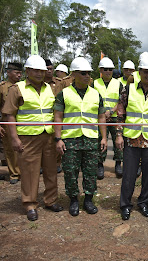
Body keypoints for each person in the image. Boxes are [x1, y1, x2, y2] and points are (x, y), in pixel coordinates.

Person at [2, 55, 63, 221]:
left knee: (51, 170)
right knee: (30, 172)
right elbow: (9, 115)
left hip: (48, 136)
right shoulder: (17, 89)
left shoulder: (49, 89)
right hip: (28, 137)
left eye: (41, 71)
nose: (39, 73)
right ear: (27, 71)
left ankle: (51, 200)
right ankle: (30, 204)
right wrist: (14, 138)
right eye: (35, 70)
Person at [54, 57, 107, 216]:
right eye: (83, 73)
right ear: (74, 74)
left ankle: (88, 199)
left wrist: (103, 138)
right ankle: (74, 200)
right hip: (70, 139)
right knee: (70, 171)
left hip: (90, 139)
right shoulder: (64, 94)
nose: (87, 76)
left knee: (90, 172)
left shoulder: (96, 94)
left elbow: (101, 117)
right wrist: (58, 139)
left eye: (89, 73)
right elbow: (58, 117)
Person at [116, 55, 148, 221]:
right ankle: (125, 205)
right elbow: (120, 113)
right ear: (139, 72)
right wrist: (118, 134)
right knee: (129, 174)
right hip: (131, 138)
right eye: (146, 72)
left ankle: (144, 202)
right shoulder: (129, 89)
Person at [93, 57, 123, 179]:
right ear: (100, 70)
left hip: (114, 117)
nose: (108, 72)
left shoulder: (118, 84)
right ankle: (100, 165)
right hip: (100, 118)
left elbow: (121, 100)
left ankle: (118, 164)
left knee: (118, 141)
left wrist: (111, 111)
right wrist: (102, 113)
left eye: (110, 69)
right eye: (105, 69)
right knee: (100, 141)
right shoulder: (94, 83)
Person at [0, 62, 22, 184]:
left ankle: (23, 171)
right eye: (16, 73)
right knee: (10, 149)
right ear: (8, 73)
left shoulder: (22, 86)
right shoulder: (2, 87)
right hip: (7, 122)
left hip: (22, 121)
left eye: (20, 73)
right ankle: (14, 174)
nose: (19, 75)